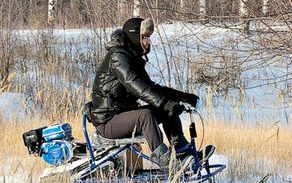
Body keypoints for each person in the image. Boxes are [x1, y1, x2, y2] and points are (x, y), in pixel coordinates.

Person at [87, 17, 212, 171]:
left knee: (165, 109)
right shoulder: (118, 56)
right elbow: (134, 85)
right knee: (145, 115)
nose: (148, 42)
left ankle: (183, 153)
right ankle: (167, 164)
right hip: (108, 121)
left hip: (123, 115)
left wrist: (181, 97)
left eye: (149, 38)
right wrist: (164, 102)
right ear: (134, 36)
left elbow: (150, 87)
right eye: (145, 38)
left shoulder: (131, 56)